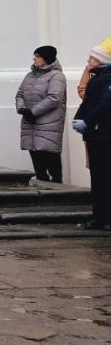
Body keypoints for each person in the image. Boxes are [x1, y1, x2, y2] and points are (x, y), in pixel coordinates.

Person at [72, 37, 111, 231]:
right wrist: (79, 117)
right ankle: (99, 216)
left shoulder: (108, 78)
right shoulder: (97, 78)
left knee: (106, 178)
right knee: (98, 178)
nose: (88, 61)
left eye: (92, 58)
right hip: (96, 136)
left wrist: (87, 120)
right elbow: (86, 102)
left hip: (105, 135)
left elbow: (105, 104)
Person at [15, 46, 67, 184]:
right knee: (37, 160)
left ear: (46, 58)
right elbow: (20, 94)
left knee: (50, 157)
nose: (34, 58)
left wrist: (33, 111)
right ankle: (42, 184)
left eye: (37, 56)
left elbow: (54, 98)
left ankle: (57, 191)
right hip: (30, 122)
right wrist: (22, 109)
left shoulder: (57, 76)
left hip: (48, 124)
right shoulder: (29, 75)